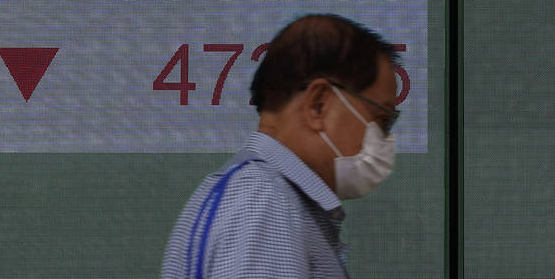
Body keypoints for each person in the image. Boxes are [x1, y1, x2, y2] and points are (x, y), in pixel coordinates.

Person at [161, 14, 400, 279]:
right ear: (318, 105)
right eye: (381, 119)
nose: (384, 139)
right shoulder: (266, 202)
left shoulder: (258, 195)